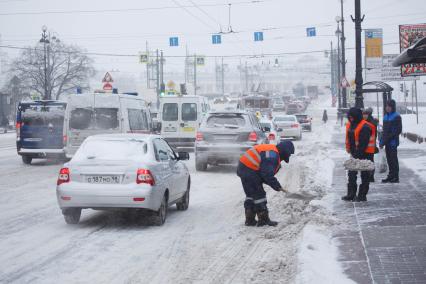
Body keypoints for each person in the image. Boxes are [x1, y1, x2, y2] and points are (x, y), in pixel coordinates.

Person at [237, 140, 295, 227]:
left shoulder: (272, 151)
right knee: (259, 194)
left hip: (244, 168)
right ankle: (263, 220)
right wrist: (276, 186)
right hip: (250, 169)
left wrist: (271, 182)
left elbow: (264, 175)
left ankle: (250, 219)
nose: (284, 159)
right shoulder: (272, 155)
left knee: (251, 194)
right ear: (284, 151)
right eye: (287, 155)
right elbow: (267, 174)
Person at [343, 107, 376, 202]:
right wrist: (351, 151)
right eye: (349, 117)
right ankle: (351, 194)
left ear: (356, 116)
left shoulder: (365, 126)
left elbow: (363, 144)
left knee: (365, 175)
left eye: (352, 117)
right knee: (351, 174)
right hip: (355, 153)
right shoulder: (351, 125)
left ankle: (362, 195)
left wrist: (357, 155)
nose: (350, 119)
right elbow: (350, 139)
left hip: (365, 154)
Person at [380, 99, 402, 183]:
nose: (387, 108)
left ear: (393, 107)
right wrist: (382, 141)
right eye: (386, 106)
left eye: (389, 106)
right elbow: (384, 131)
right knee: (389, 160)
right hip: (386, 142)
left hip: (393, 142)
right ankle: (391, 175)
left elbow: (398, 130)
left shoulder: (396, 116)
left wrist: (387, 139)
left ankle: (396, 177)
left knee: (393, 160)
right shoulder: (385, 117)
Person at [363, 107, 379, 182]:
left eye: (366, 114)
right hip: (367, 145)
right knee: (368, 160)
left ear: (369, 115)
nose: (364, 116)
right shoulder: (368, 122)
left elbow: (373, 134)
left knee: (370, 161)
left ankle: (370, 176)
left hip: (370, 145)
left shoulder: (370, 123)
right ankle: (368, 175)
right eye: (364, 114)